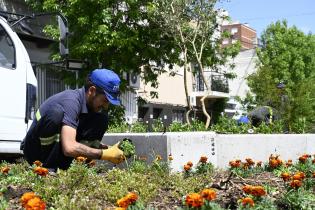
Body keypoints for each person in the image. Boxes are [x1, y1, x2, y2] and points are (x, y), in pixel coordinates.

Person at [21, 69, 125, 170]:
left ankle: (79, 169)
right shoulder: (71, 102)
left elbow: (73, 139)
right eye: (105, 100)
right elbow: (69, 148)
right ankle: (48, 169)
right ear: (92, 91)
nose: (106, 106)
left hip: (60, 152)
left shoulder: (90, 109)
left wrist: (109, 150)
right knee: (55, 114)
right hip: (36, 152)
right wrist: (103, 154)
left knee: (101, 119)